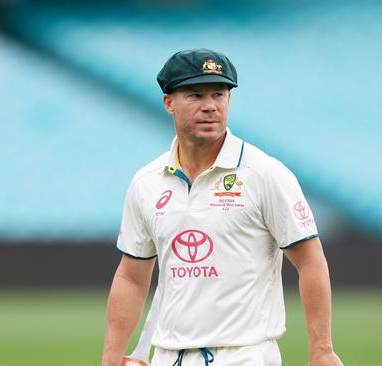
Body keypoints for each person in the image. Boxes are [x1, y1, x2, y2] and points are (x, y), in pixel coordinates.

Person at [102, 48, 343, 366]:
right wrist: (111, 358)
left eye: (219, 94)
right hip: (167, 356)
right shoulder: (147, 182)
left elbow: (311, 260)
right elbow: (131, 277)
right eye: (195, 95)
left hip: (243, 355)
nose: (210, 107)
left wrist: (321, 350)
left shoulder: (264, 174)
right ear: (168, 103)